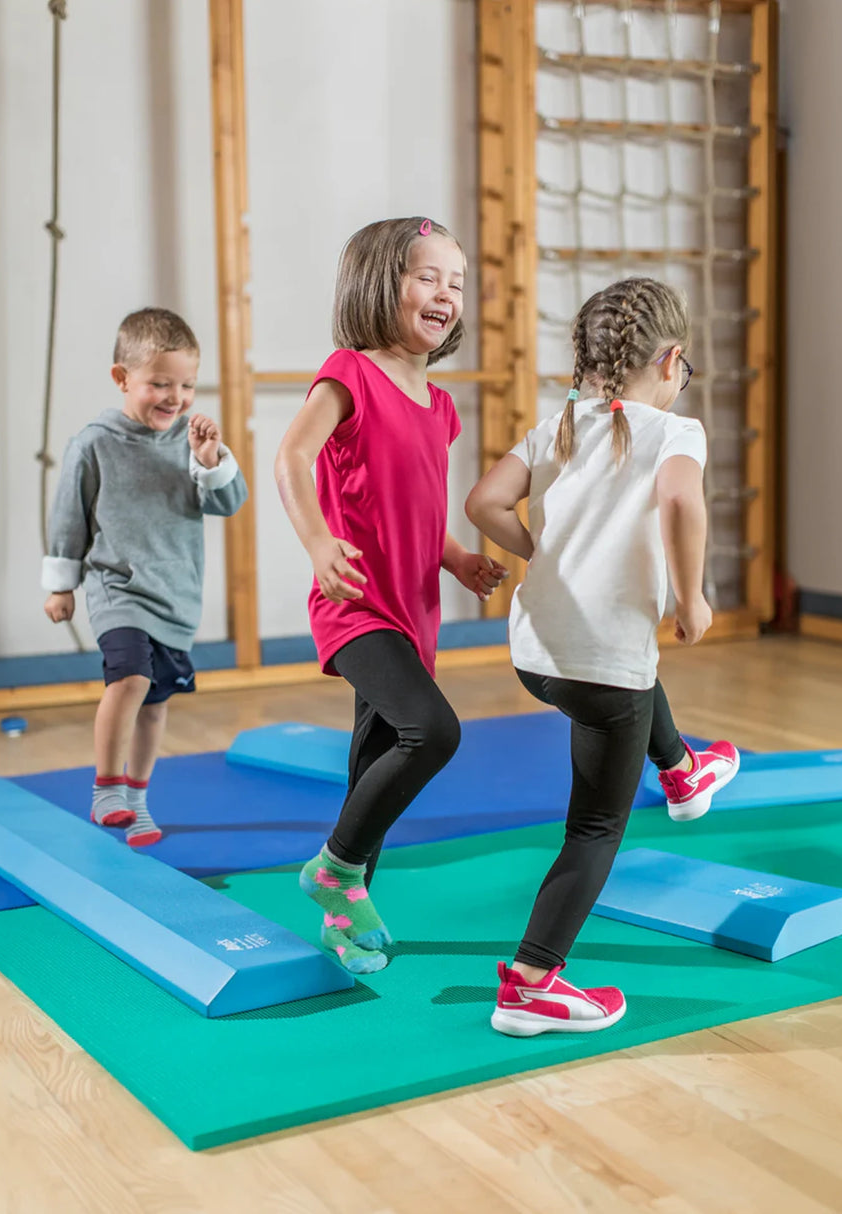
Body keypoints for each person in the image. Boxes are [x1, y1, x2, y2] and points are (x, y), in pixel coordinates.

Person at [465, 277, 739, 1036]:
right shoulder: (673, 433)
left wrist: (539, 552)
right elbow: (683, 502)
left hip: (535, 653)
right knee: (593, 828)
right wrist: (692, 600)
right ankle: (531, 984)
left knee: (627, 682)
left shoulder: (555, 425)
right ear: (673, 360)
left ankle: (682, 769)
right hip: (602, 665)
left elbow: (483, 505)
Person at [274, 217, 507, 974]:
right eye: (427, 276)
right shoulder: (351, 371)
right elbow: (292, 457)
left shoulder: (439, 407)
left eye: (457, 282)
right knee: (432, 733)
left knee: (373, 757)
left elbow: (416, 505)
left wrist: (458, 559)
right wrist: (316, 542)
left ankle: (344, 921)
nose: (446, 293)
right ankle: (334, 871)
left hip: (415, 611)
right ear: (382, 284)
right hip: (356, 606)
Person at [42, 307, 247, 847]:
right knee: (129, 680)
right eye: (158, 383)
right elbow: (69, 513)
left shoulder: (192, 441)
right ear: (122, 379)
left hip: (175, 594)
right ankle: (106, 788)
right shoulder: (94, 443)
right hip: (117, 587)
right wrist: (61, 583)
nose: (174, 397)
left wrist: (210, 459)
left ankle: (136, 800)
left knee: (154, 705)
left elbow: (230, 502)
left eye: (185, 385)